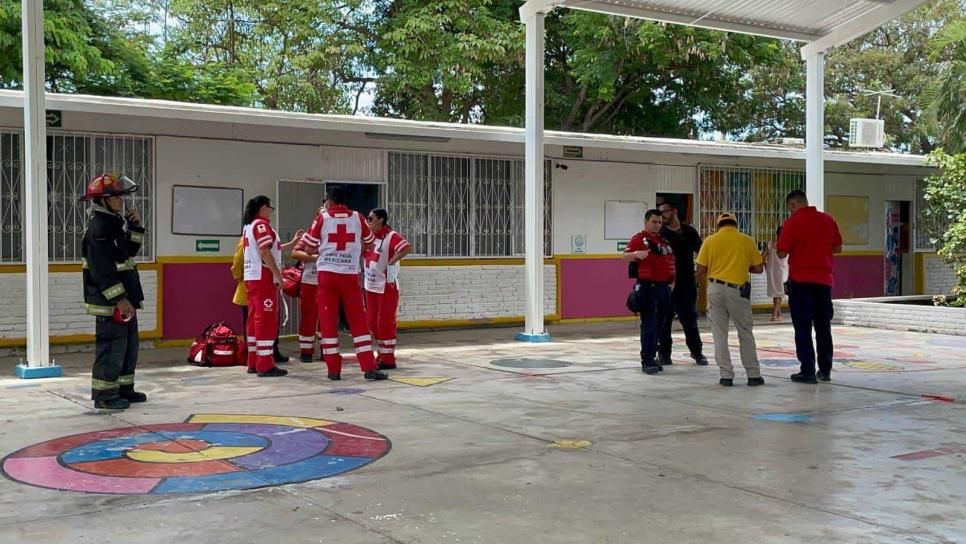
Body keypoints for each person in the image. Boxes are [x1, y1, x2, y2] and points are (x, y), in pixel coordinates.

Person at [300, 186, 388, 381]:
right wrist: (352, 251)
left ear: (329, 202)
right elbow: (369, 241)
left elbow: (307, 247)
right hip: (350, 275)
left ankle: (333, 370)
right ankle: (369, 367)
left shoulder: (322, 219)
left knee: (328, 321)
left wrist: (325, 251)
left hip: (326, 276)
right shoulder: (358, 217)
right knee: (358, 320)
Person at [81, 174, 147, 410]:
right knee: (111, 348)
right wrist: (119, 299)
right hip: (111, 302)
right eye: (116, 196)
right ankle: (105, 395)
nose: (121, 200)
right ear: (103, 200)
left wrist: (136, 228)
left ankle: (123, 389)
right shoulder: (99, 227)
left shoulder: (113, 224)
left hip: (124, 299)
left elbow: (126, 254)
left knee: (128, 347)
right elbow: (102, 269)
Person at [776, 190, 843, 384]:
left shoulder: (792, 223)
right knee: (823, 327)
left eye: (789, 209)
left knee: (803, 328)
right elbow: (838, 247)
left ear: (793, 205)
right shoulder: (828, 220)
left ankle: (807, 371)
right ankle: (825, 370)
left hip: (801, 282)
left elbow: (781, 252)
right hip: (824, 282)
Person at [695, 213, 765, 387]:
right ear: (735, 225)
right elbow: (758, 268)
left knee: (719, 334)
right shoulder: (746, 240)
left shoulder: (709, 241)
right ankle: (753, 375)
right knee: (745, 332)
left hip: (715, 289)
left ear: (719, 226)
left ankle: (726, 375)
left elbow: (700, 270)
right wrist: (742, 265)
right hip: (737, 291)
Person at [232, 230, 300, 365]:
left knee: (271, 321)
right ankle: (256, 356)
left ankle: (271, 352)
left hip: (267, 286)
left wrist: (291, 244)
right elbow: (238, 262)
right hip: (251, 287)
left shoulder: (259, 237)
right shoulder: (246, 239)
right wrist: (238, 275)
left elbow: (272, 250)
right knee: (253, 322)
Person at [622, 210, 676, 375]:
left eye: (660, 222)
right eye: (654, 222)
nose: (657, 225)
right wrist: (636, 254)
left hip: (663, 288)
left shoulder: (663, 241)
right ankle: (647, 360)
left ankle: (652, 357)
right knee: (649, 326)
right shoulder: (639, 239)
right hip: (647, 288)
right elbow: (625, 256)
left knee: (659, 326)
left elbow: (670, 261)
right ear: (646, 222)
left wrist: (671, 282)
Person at [242, 195, 289, 377]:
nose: (272, 211)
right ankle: (265, 363)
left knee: (254, 319)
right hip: (263, 278)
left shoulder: (248, 227)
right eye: (271, 208)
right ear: (263, 208)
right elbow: (264, 251)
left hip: (252, 277)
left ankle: (253, 360)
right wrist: (277, 275)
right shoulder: (261, 225)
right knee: (266, 319)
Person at [657, 201, 708, 366]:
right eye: (660, 213)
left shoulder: (688, 232)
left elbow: (702, 253)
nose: (662, 216)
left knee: (689, 319)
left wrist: (698, 273)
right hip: (666, 282)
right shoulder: (661, 233)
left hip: (686, 282)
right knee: (664, 320)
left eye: (665, 211)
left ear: (674, 211)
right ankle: (664, 354)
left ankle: (697, 352)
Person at [364, 208, 412, 370]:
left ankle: (388, 358)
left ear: (381, 220)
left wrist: (392, 261)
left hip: (386, 286)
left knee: (384, 321)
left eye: (371, 219)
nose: (368, 222)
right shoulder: (368, 237)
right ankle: (382, 352)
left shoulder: (391, 236)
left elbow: (406, 247)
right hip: (370, 285)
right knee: (371, 321)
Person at [292, 207, 325, 363]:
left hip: (328, 282)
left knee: (327, 318)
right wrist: (315, 258)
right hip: (309, 281)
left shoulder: (335, 235)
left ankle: (327, 350)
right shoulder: (309, 235)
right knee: (308, 317)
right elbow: (295, 253)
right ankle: (306, 351)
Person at [763, 227, 789, 321]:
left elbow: (762, 257)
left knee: (776, 292)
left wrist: (765, 266)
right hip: (782, 271)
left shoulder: (769, 244)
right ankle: (774, 314)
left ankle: (779, 314)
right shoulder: (787, 245)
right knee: (779, 293)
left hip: (771, 271)